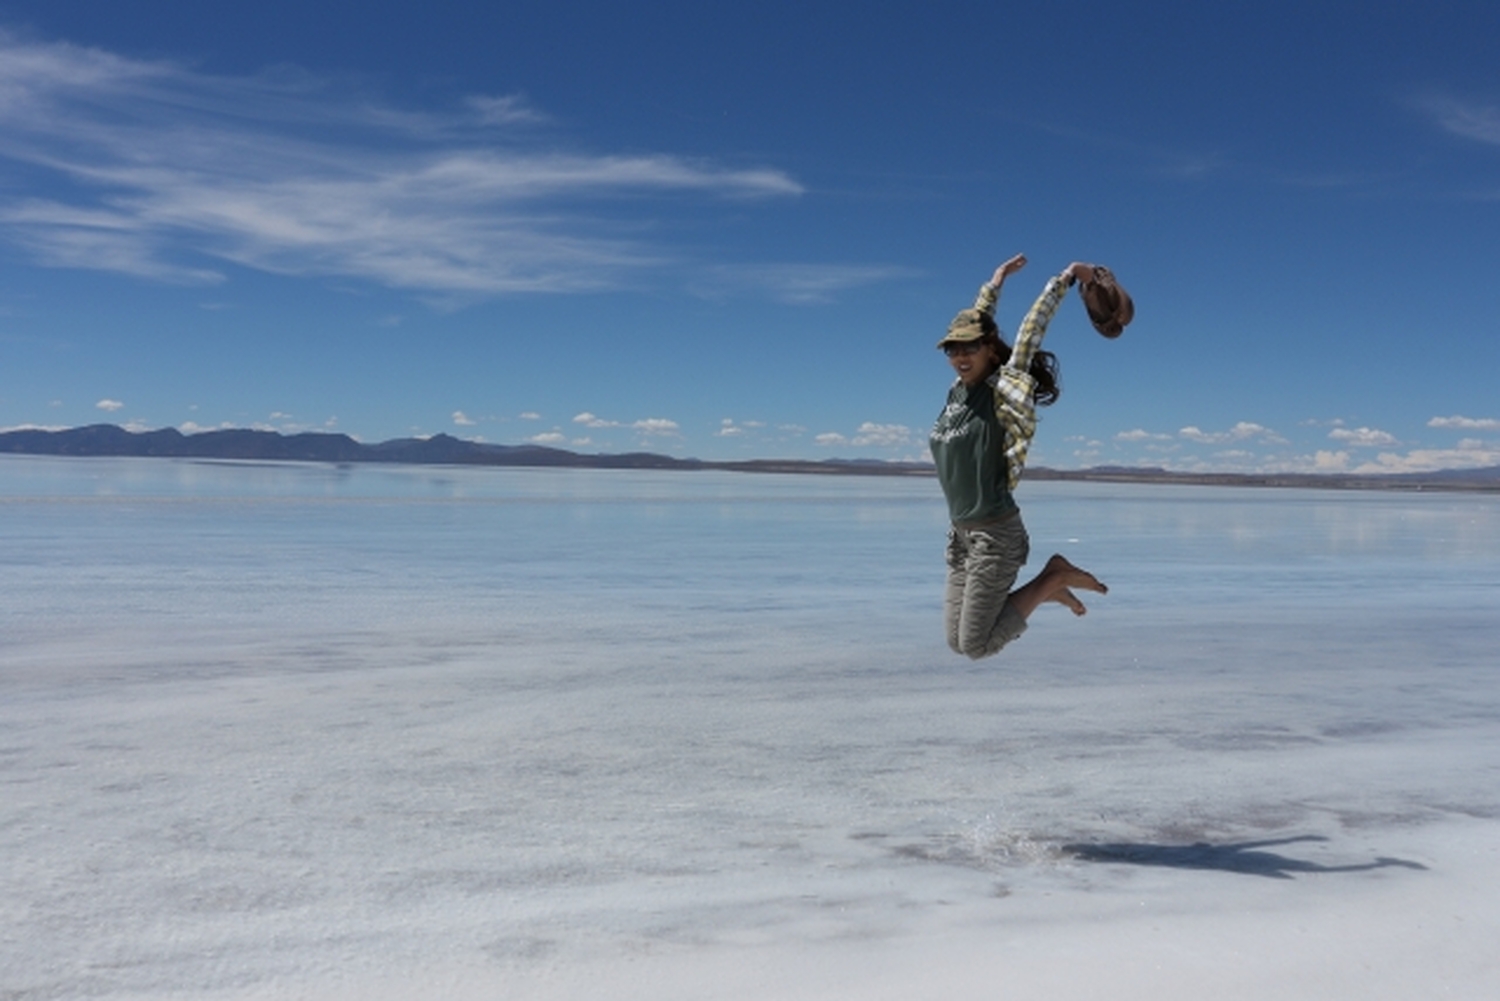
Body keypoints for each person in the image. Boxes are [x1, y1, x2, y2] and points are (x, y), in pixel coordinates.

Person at [929, 254, 1108, 659]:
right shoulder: (958, 393)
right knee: (956, 643)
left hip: (996, 535)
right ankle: (1047, 590)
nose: (960, 356)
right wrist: (995, 283)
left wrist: (1064, 280)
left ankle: (1052, 579)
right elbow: (977, 321)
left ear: (990, 350)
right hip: (961, 535)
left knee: (977, 645)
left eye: (970, 347)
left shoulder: (1003, 392)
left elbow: (1030, 329)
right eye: (953, 348)